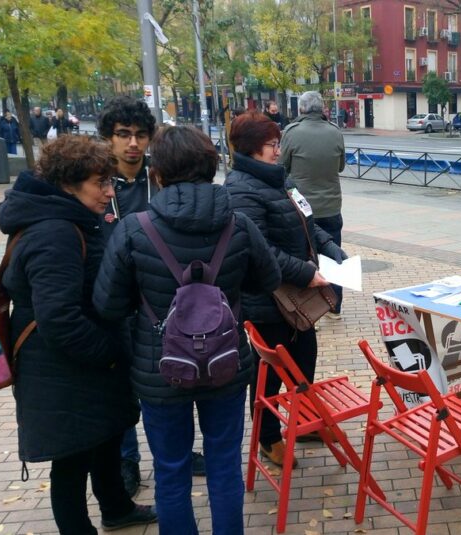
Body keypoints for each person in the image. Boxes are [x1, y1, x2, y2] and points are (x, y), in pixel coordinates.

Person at [94, 126, 281, 535]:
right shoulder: (239, 224)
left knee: (171, 471)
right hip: (226, 364)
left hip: (160, 369)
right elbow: (267, 281)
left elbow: (108, 304)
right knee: (224, 465)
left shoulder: (134, 228)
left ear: (157, 172)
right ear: (212, 167)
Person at [0, 135, 157, 534]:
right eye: (99, 183)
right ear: (68, 183)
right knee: (71, 461)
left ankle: (116, 506)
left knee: (104, 438)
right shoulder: (55, 233)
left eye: (110, 182)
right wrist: (111, 354)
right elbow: (60, 318)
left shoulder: (66, 219)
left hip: (81, 367)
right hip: (65, 369)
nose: (108, 192)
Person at [95, 96, 207, 497]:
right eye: (123, 135)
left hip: (161, 303)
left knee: (174, 378)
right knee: (124, 388)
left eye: (140, 135)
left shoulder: (159, 179)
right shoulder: (99, 184)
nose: (132, 144)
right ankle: (128, 460)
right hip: (115, 301)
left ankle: (181, 449)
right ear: (108, 138)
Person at [228, 110, 345, 466]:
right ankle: (267, 438)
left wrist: (333, 251)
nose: (278, 151)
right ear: (250, 149)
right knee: (269, 373)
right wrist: (306, 273)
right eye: (271, 145)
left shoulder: (281, 180)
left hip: (296, 296)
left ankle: (305, 421)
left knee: (304, 360)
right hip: (268, 299)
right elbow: (259, 250)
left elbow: (309, 224)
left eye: (277, 143)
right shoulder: (240, 190)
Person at [280, 91, 347, 320]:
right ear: (322, 108)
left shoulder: (291, 133)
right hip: (331, 206)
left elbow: (282, 166)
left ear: (302, 109)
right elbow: (341, 167)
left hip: (301, 208)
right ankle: (335, 307)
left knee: (304, 258)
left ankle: (308, 309)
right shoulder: (335, 132)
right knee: (333, 256)